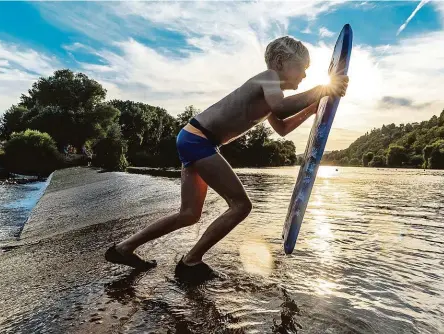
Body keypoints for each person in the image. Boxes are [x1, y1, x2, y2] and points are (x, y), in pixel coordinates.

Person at [105, 36, 348, 281]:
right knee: (241, 205)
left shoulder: (272, 91)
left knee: (189, 214)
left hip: (194, 138)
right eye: (303, 68)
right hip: (199, 139)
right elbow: (282, 107)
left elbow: (282, 128)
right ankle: (190, 261)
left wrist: (314, 106)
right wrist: (322, 89)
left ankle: (124, 248)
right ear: (280, 61)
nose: (305, 76)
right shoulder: (269, 78)